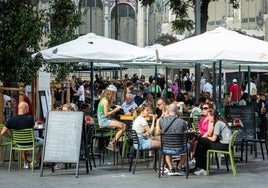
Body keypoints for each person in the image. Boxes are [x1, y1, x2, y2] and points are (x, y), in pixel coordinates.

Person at [1, 102, 43, 169]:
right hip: (30, 142)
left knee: (22, 142)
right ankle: (35, 161)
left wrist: (11, 137)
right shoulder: (29, 118)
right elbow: (33, 128)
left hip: (18, 143)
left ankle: (25, 163)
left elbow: (2, 132)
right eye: (28, 108)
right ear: (25, 108)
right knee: (44, 143)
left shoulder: (10, 120)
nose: (28, 110)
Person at [194, 109, 232, 175]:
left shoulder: (218, 123)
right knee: (202, 144)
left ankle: (201, 166)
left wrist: (207, 137)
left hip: (224, 145)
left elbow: (214, 139)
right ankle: (201, 166)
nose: (208, 119)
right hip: (226, 144)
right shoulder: (220, 122)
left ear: (213, 116)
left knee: (201, 141)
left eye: (209, 116)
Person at [155, 104, 189, 176]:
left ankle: (171, 168)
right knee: (188, 146)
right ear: (177, 111)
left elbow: (157, 133)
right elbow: (186, 134)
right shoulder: (182, 122)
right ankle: (179, 168)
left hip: (166, 149)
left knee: (166, 144)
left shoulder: (161, 121)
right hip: (180, 148)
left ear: (168, 111)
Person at [97, 85, 126, 151]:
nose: (114, 96)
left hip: (104, 120)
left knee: (121, 126)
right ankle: (112, 143)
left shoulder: (104, 99)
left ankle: (113, 143)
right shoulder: (105, 101)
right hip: (104, 121)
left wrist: (113, 108)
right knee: (124, 126)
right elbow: (106, 114)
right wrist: (115, 110)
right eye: (114, 94)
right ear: (111, 93)